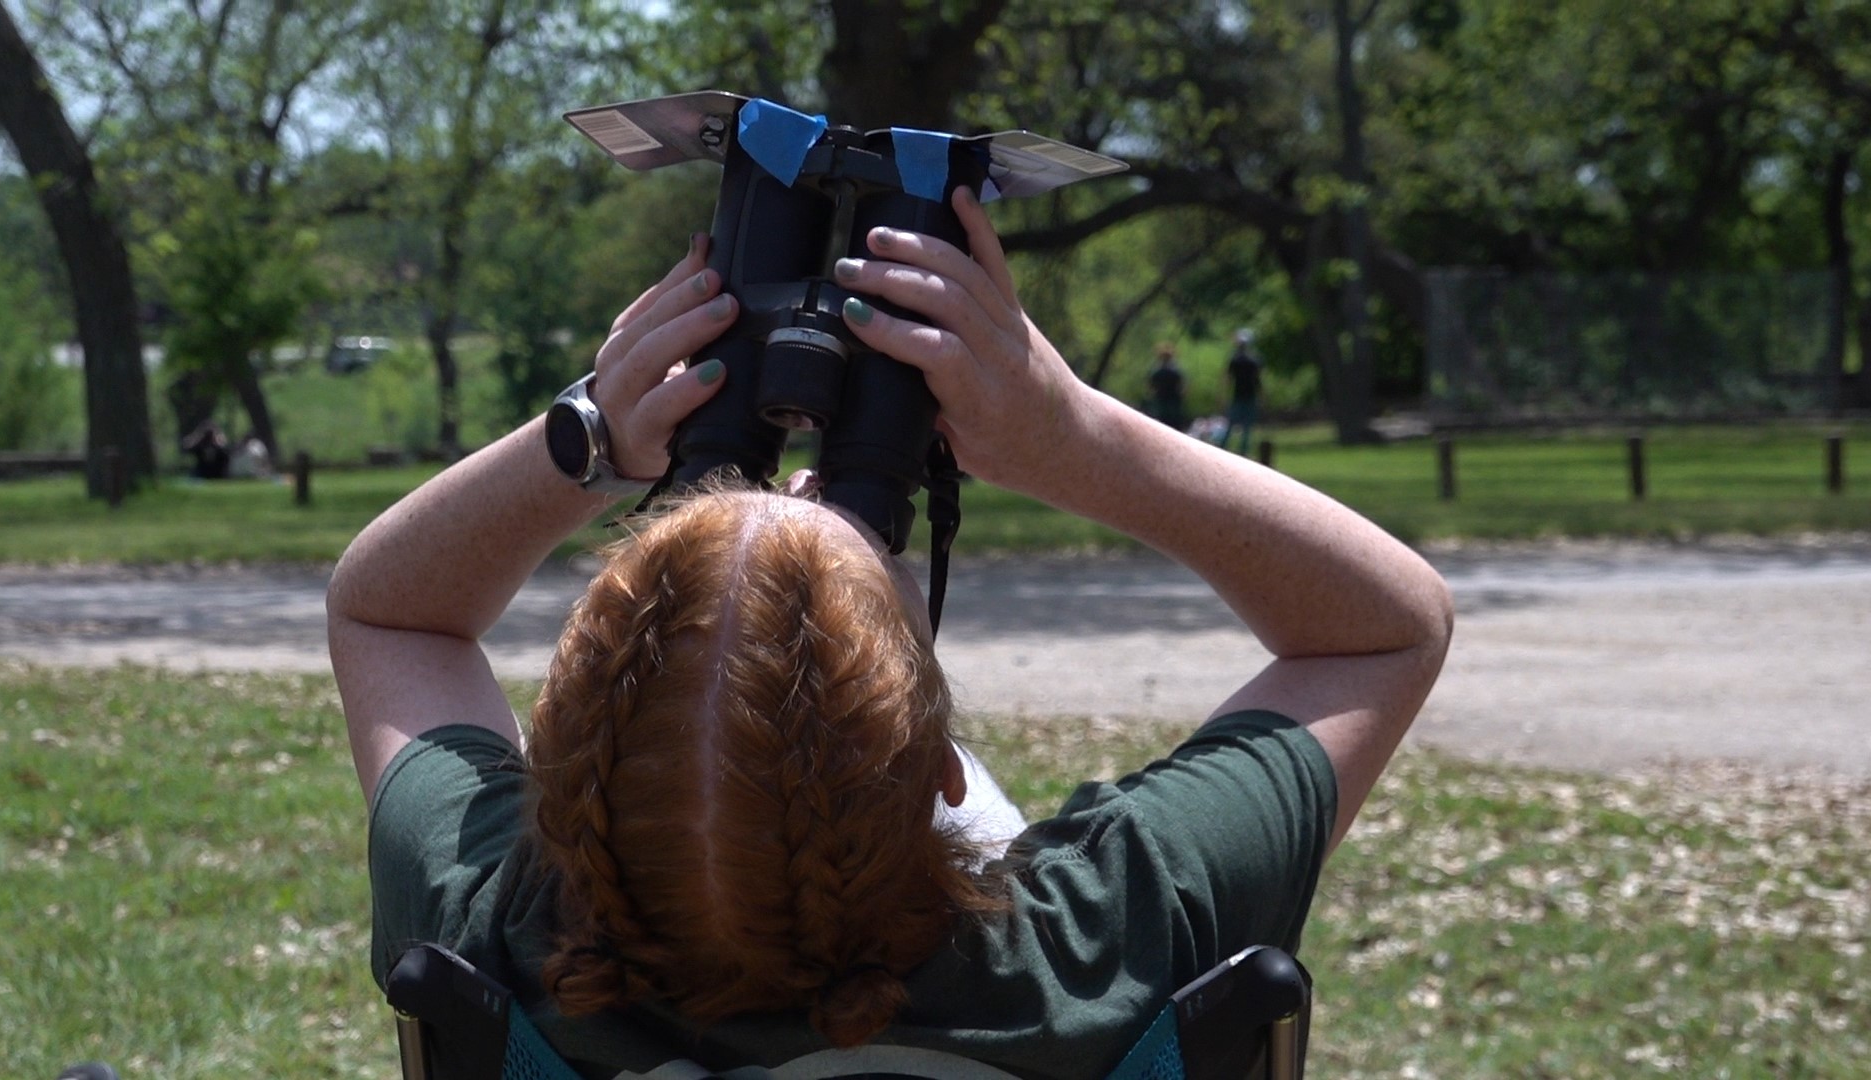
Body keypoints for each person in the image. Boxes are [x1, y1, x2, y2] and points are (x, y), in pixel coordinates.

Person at [329, 189, 1452, 1078]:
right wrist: (1070, 439)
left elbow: (388, 610)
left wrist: (585, 441)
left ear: (558, 763)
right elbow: (1384, 627)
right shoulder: (1098, 942)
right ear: (945, 773)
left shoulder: (494, 925)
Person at [1221, 328, 1263, 456]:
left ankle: (1222, 447)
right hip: (1250, 396)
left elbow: (1227, 379)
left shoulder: (1234, 360)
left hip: (1238, 396)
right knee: (1247, 427)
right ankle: (1243, 451)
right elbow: (1258, 380)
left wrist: (1222, 395)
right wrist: (1263, 396)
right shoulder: (1254, 360)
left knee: (1231, 424)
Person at [1144, 343, 1186, 429]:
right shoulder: (1174, 369)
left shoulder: (1158, 370)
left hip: (1166, 399)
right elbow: (1182, 385)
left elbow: (1150, 385)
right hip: (1168, 399)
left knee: (1163, 419)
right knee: (1169, 420)